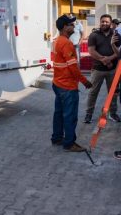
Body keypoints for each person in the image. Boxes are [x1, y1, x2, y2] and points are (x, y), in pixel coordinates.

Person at [51, 14, 92, 152]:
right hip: (67, 86)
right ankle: (69, 143)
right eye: (71, 24)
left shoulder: (58, 41)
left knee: (59, 113)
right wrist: (85, 82)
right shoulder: (67, 43)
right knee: (70, 116)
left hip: (58, 84)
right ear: (64, 27)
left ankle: (57, 138)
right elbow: (73, 68)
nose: (74, 26)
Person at [84, 14, 120, 123]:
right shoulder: (94, 35)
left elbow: (119, 51)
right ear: (100, 22)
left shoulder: (116, 35)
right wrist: (103, 59)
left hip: (112, 70)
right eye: (102, 21)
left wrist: (109, 59)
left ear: (111, 23)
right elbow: (91, 51)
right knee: (93, 92)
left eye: (107, 22)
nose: (104, 23)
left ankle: (112, 113)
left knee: (113, 93)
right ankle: (88, 114)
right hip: (97, 69)